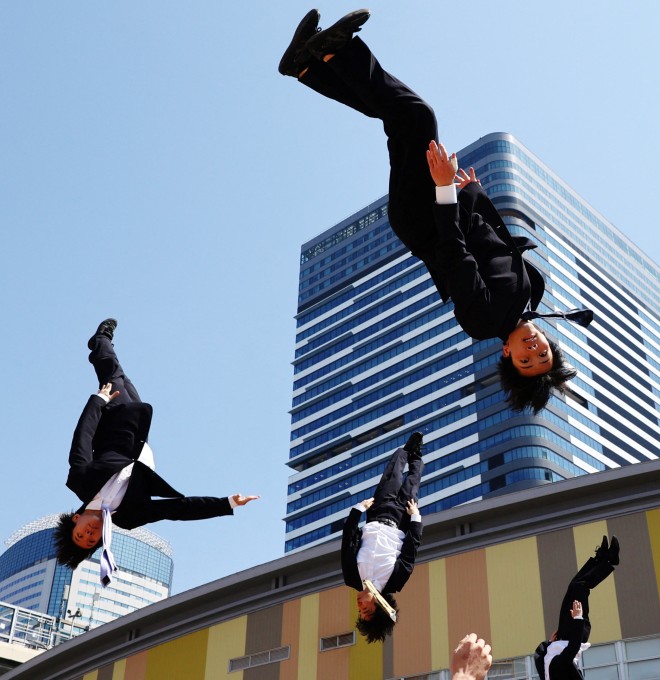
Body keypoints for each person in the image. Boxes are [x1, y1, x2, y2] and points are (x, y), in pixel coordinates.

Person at [278, 9, 593, 413]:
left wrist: (444, 189)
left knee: (416, 116)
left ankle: (333, 54)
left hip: (423, 219)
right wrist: (473, 192)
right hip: (442, 207)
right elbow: (493, 239)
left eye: (525, 361)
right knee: (403, 119)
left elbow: (456, 254)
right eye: (543, 355)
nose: (533, 350)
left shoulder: (483, 322)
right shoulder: (532, 293)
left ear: (506, 356)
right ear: (551, 345)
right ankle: (308, 66)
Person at [55, 320, 259, 584]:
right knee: (121, 374)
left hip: (115, 419)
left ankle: (99, 341)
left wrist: (98, 401)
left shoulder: (80, 482)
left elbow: (82, 437)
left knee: (112, 373)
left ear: (76, 519)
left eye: (80, 534)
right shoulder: (129, 517)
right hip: (137, 429)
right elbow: (177, 510)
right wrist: (226, 503)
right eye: (90, 540)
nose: (89, 534)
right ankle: (100, 347)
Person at [340, 432, 425, 642]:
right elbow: (410, 552)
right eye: (366, 611)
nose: (359, 607)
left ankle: (406, 450)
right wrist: (415, 517)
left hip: (377, 512)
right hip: (401, 518)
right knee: (412, 481)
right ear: (378, 606)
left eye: (359, 611)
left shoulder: (352, 577)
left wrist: (357, 511)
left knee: (393, 473)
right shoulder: (395, 581)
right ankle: (417, 456)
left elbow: (347, 542)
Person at [534, 536, 620, 680]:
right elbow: (573, 648)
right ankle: (609, 560)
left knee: (574, 586)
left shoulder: (548, 674)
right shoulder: (559, 669)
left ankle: (601, 558)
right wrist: (578, 617)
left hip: (562, 635)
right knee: (580, 587)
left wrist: (550, 642)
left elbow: (540, 656)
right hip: (576, 631)